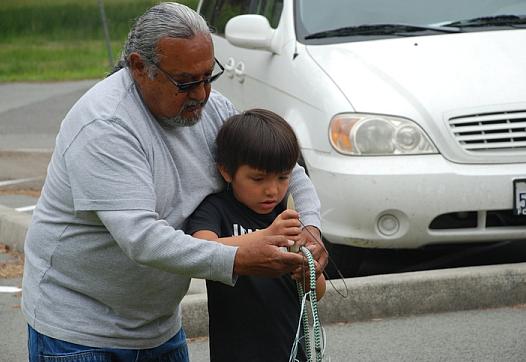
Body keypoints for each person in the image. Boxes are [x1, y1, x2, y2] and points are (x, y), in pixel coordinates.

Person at [21, 2, 326, 361]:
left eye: (208, 76)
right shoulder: (106, 126)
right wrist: (237, 256)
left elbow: (286, 166)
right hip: (80, 335)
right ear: (139, 67)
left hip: (159, 328)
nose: (201, 94)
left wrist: (312, 226)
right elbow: (142, 239)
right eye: (185, 82)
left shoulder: (212, 110)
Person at [185, 109, 326, 362]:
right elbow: (200, 248)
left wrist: (309, 275)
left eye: (283, 178)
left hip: (293, 352)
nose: (272, 190)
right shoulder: (215, 209)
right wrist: (264, 237)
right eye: (258, 178)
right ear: (227, 172)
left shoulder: (288, 213)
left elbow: (316, 292)